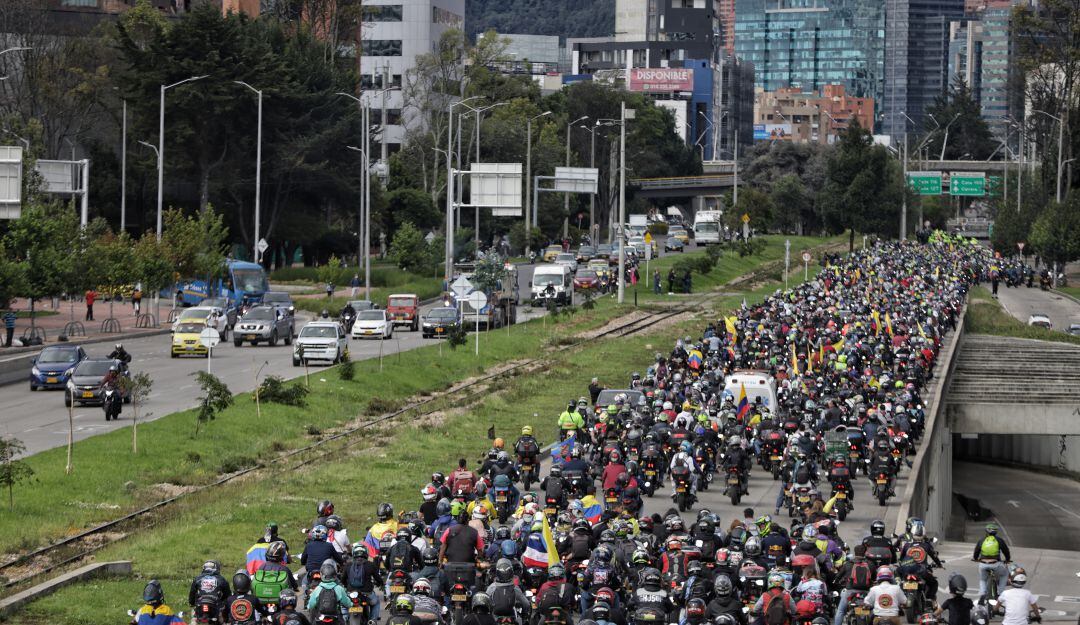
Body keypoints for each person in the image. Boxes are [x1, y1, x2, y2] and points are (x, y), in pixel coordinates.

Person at [345, 543, 385, 622]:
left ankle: (345, 618)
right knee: (376, 602)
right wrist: (381, 584)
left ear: (353, 553)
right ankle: (373, 620)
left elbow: (343, 579)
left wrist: (347, 586)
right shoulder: (370, 565)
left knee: (343, 605)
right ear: (366, 553)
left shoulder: (348, 565)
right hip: (367, 593)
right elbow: (378, 578)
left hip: (351, 594)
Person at [972, 523, 1010, 601]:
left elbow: (976, 552)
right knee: (1005, 574)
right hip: (996, 564)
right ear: (996, 532)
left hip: (983, 564)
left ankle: (983, 594)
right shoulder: (999, 540)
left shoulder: (981, 540)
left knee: (983, 579)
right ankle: (1001, 593)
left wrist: (976, 558)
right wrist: (1007, 559)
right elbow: (1006, 551)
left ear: (986, 531)